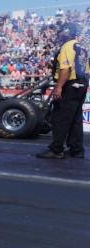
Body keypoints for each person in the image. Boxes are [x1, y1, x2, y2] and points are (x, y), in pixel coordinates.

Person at [37, 23, 88, 159]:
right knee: (75, 119)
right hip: (82, 83)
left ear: (66, 32)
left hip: (70, 85)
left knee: (60, 118)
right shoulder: (81, 47)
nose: (59, 35)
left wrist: (59, 87)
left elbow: (65, 69)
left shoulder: (67, 46)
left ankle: (56, 149)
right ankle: (77, 150)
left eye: (61, 32)